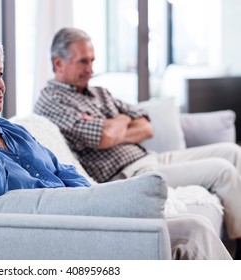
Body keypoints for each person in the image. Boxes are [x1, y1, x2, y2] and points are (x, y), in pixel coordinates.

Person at [0, 31, 231, 260]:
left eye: (0, 74)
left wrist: (96, 201)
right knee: (192, 230)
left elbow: (62, 169)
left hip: (83, 211)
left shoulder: (9, 129)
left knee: (194, 227)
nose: (0, 85)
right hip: (60, 231)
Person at [33, 27, 241, 259]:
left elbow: (146, 126)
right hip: (130, 173)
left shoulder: (99, 92)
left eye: (92, 61)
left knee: (233, 152)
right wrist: (121, 122)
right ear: (58, 63)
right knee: (222, 171)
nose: (91, 69)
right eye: (83, 62)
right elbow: (104, 138)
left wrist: (115, 123)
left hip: (150, 157)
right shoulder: (51, 101)